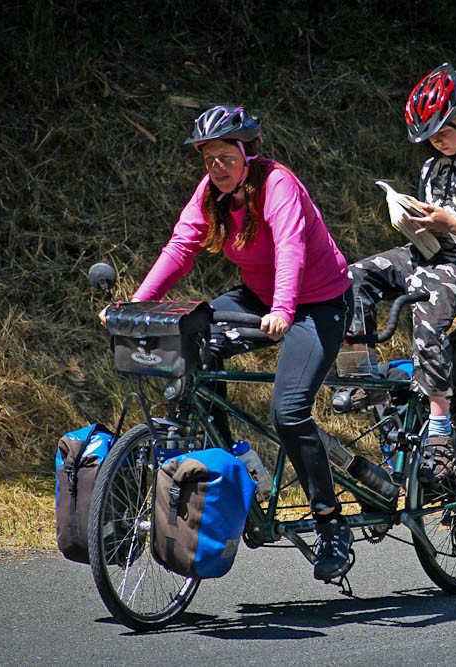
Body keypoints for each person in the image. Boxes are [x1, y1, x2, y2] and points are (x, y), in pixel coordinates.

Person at [100, 105, 355, 582]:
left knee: (289, 410)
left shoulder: (277, 184)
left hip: (318, 303)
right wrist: (135, 305)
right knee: (195, 344)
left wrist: (283, 309)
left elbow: (291, 249)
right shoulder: (211, 194)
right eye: (208, 158)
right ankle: (233, 468)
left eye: (225, 156)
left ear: (246, 152)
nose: (216, 166)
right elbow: (180, 248)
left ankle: (330, 523)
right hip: (261, 297)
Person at [343, 63, 456, 480]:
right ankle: (362, 374)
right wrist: (412, 221)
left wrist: (449, 224)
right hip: (425, 252)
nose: (437, 143)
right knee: (354, 276)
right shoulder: (430, 168)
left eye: (442, 133)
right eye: (429, 139)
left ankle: (439, 422)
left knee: (427, 295)